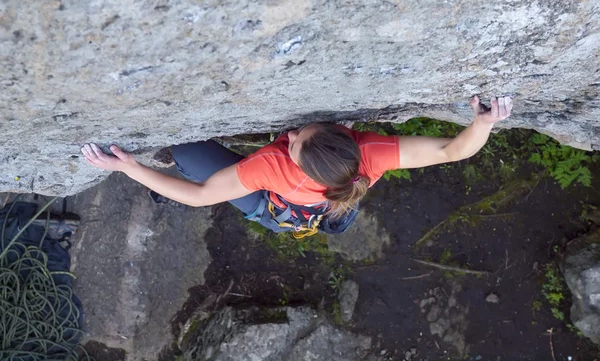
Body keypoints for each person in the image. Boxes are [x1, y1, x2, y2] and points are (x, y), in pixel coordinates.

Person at [81, 96, 512, 236]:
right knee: (341, 207)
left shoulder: (273, 167)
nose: (287, 140)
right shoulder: (371, 155)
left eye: (293, 143)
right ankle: (335, 216)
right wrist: (483, 121)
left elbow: (199, 197)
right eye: (297, 136)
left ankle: (331, 216)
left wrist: (130, 169)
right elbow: (453, 151)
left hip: (277, 208)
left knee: (190, 154)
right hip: (337, 194)